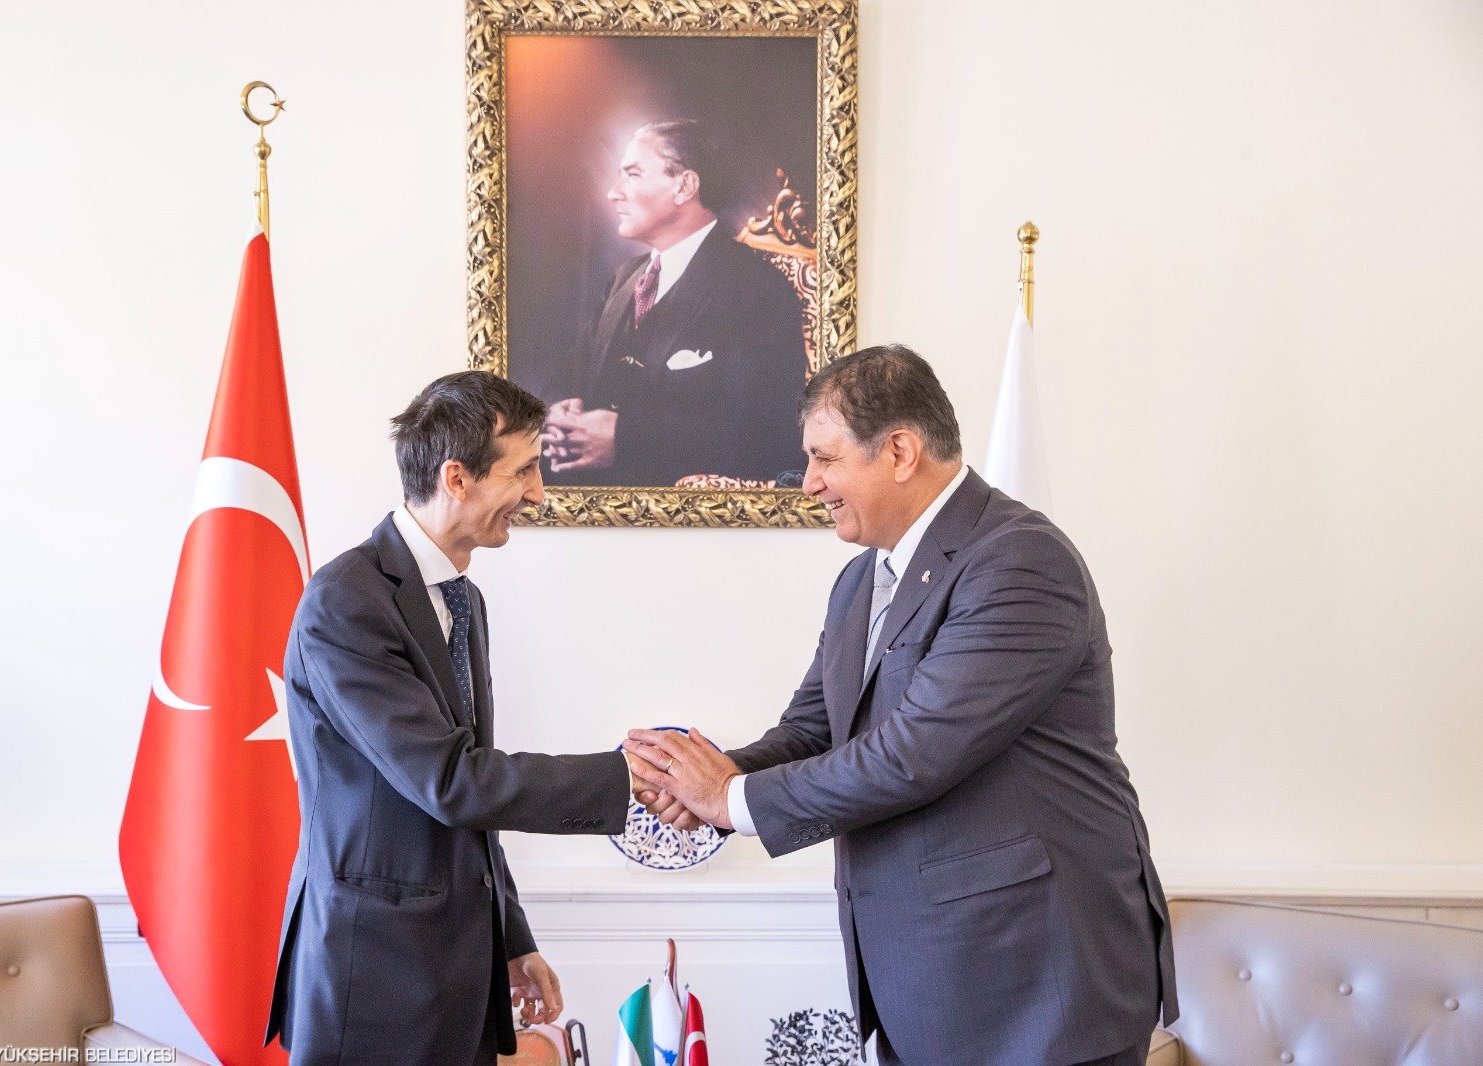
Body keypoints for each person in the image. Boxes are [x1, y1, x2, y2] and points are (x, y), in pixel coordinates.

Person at [626, 346, 1178, 1065]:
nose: (810, 483)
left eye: (824, 459)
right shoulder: (861, 581)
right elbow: (813, 729)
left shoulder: (1020, 560)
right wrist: (698, 777)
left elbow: (914, 753)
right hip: (923, 981)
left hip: (1036, 984)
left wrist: (729, 799)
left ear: (899, 451)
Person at [265, 371, 643, 1065]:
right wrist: (629, 778)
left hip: (458, 969)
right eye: (523, 471)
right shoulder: (347, 600)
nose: (538, 493)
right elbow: (450, 780)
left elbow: (469, 806)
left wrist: (512, 937)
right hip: (374, 977)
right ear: (457, 478)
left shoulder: (462, 599)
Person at [542, 119, 808, 486]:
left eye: (633, 175)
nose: (614, 193)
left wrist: (626, 439)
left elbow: (769, 432)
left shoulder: (757, 288)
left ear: (684, 186)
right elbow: (570, 373)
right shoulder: (625, 278)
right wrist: (559, 410)